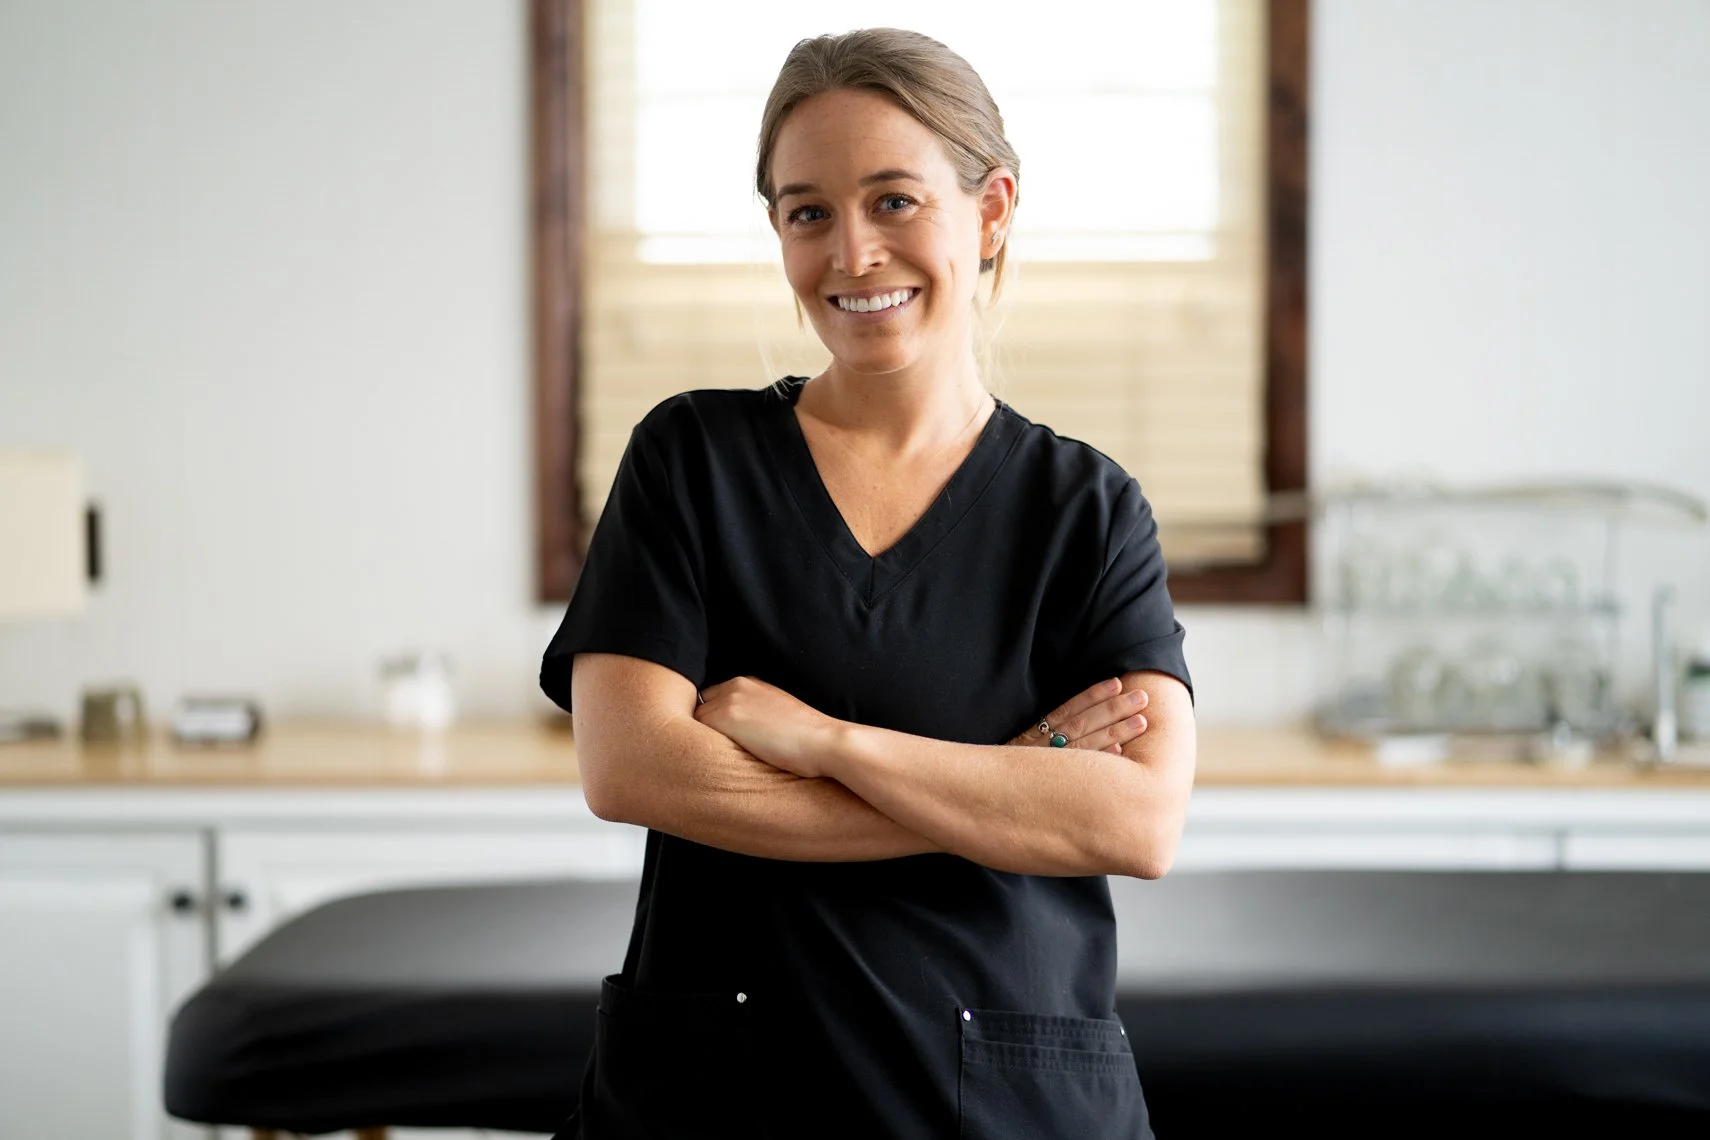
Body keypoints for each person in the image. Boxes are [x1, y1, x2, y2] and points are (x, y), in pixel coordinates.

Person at [540, 26, 1195, 1140]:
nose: (851, 253)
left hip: (1006, 1106)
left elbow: (1134, 821)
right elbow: (635, 765)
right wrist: (1010, 789)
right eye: (808, 212)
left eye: (894, 201)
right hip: (718, 1098)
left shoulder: (1085, 510)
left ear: (989, 213)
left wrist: (825, 742)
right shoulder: (691, 459)